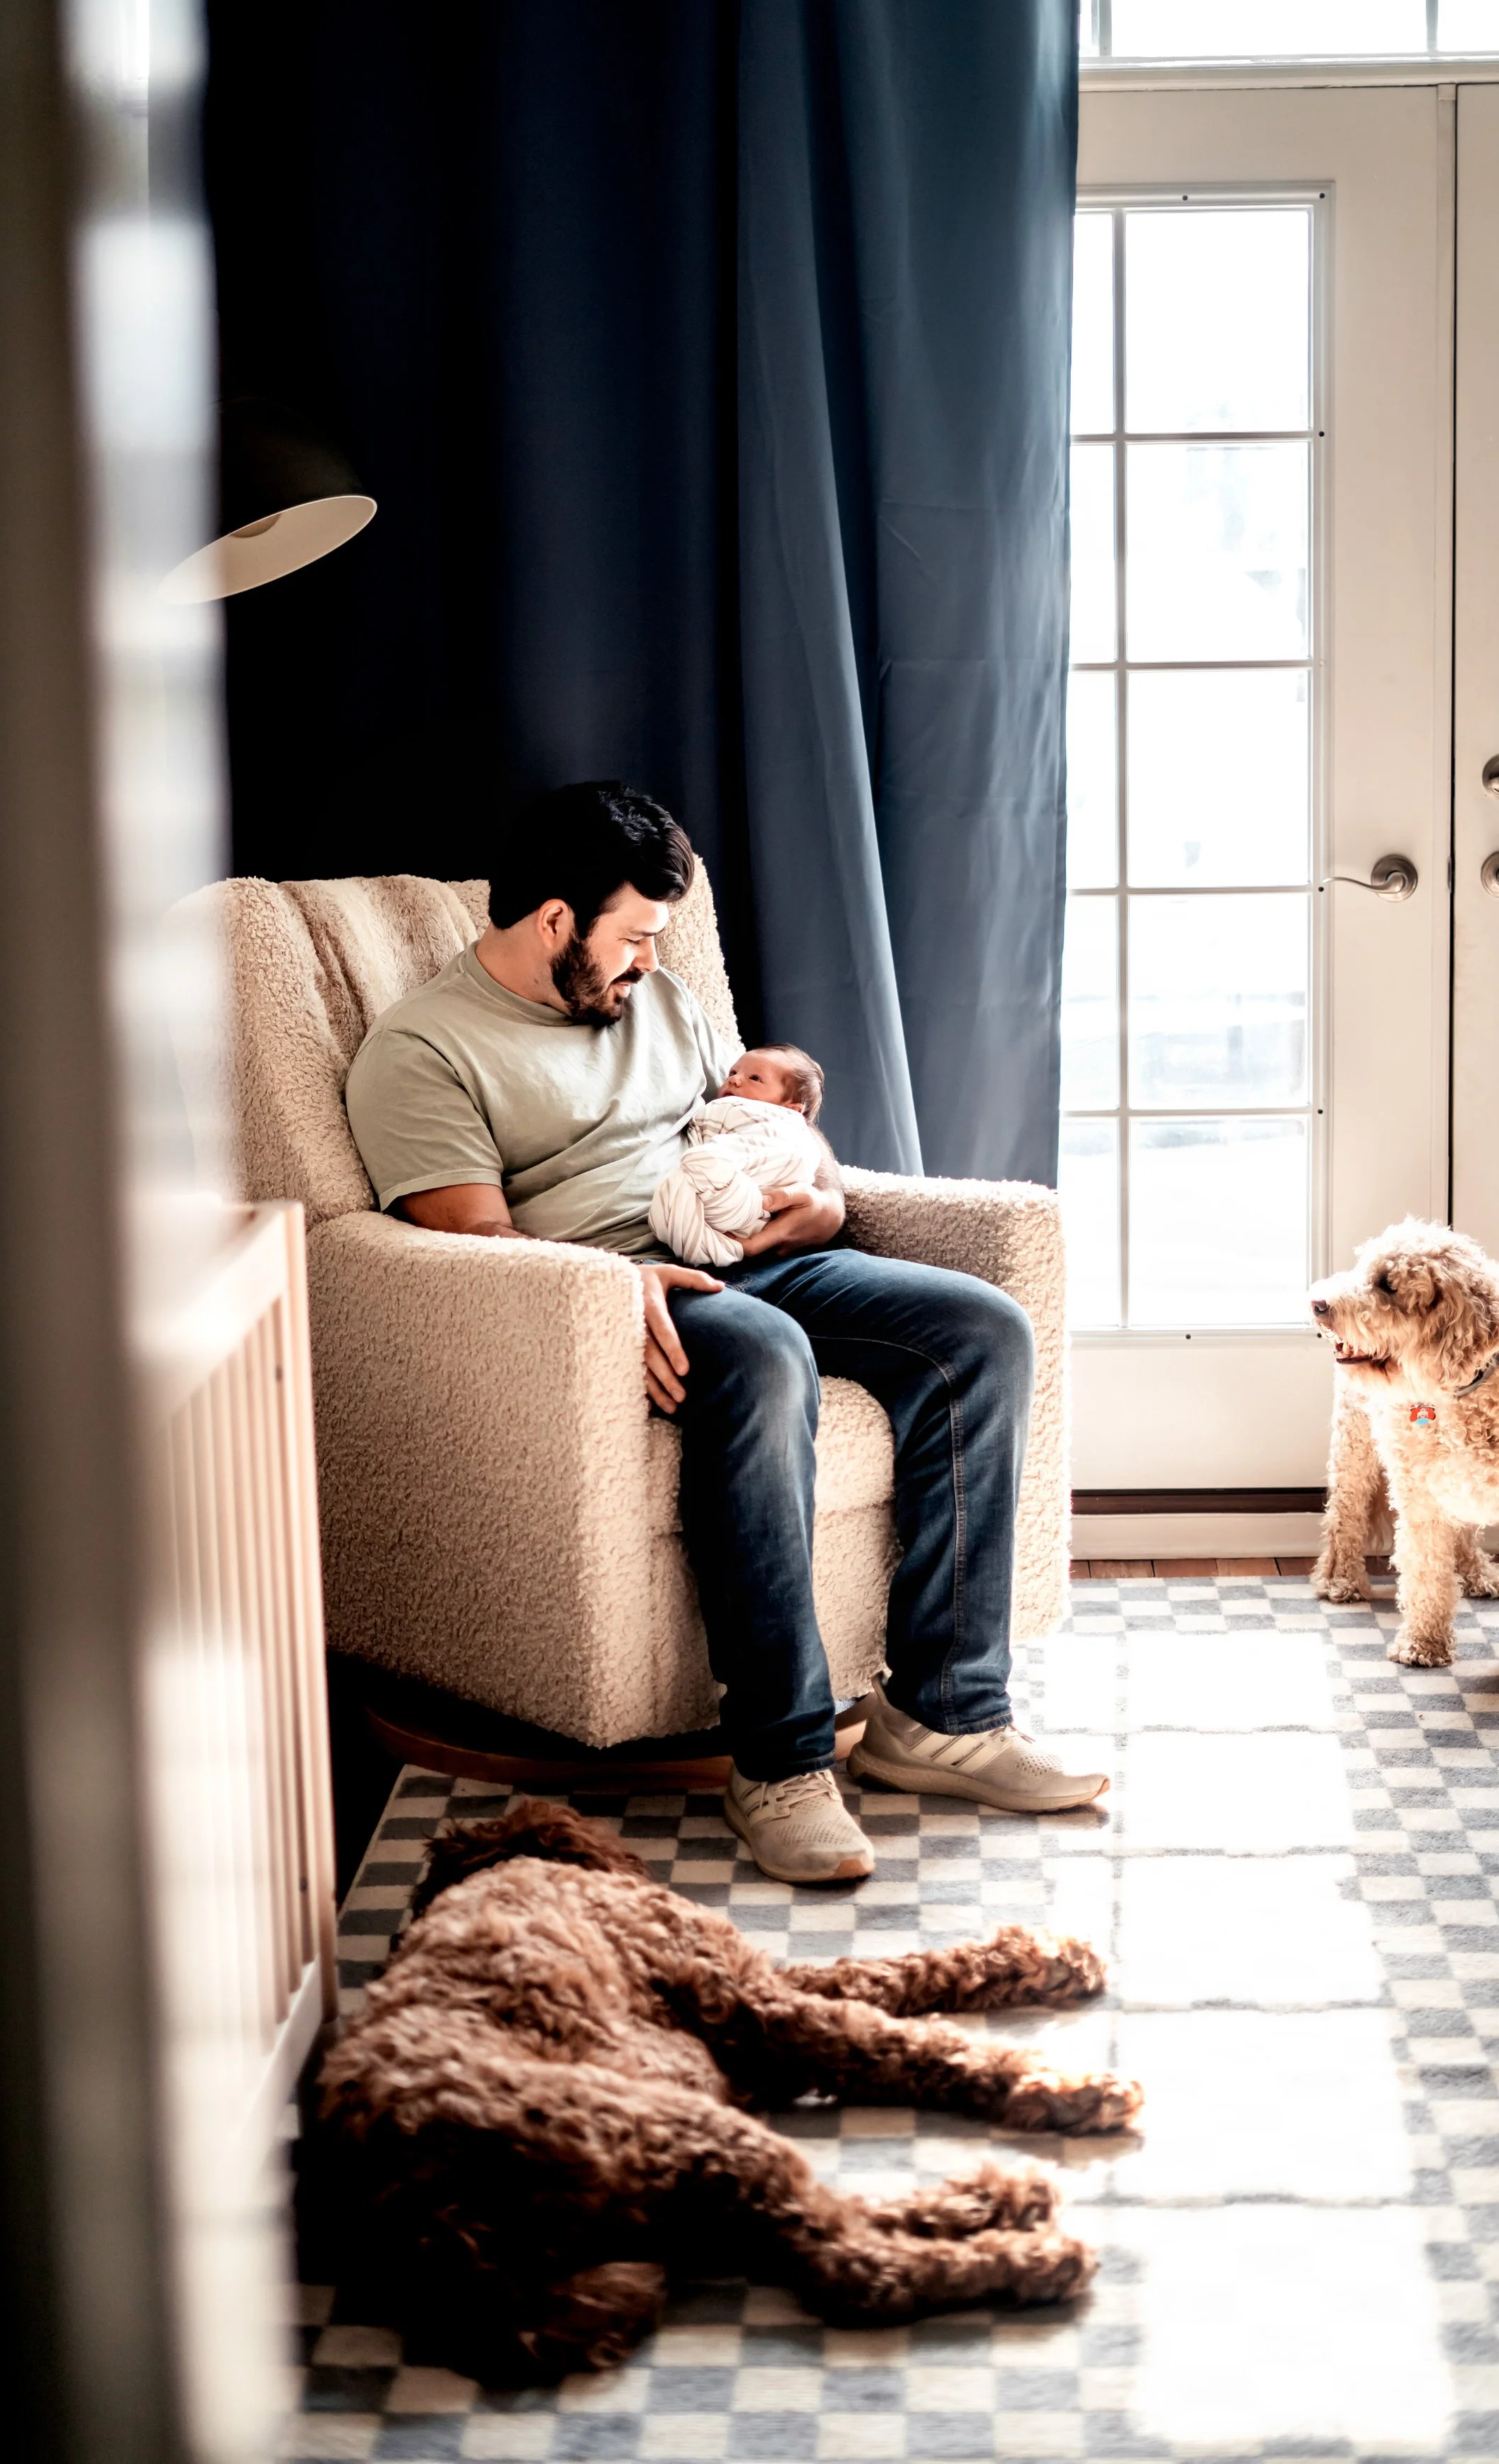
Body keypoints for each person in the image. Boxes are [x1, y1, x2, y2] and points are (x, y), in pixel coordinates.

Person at [344, 781, 1106, 1884]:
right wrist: (621, 1283)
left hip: (756, 1251)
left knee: (981, 1328)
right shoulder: (424, 1049)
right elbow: (474, 1247)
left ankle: (943, 1715)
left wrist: (825, 1199)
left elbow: (751, 1127)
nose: (653, 959)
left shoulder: (662, 1001)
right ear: (557, 920)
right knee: (762, 1351)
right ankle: (781, 1761)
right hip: (619, 1297)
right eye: (636, 936)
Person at [650, 1044, 829, 1267]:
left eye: (755, 1079)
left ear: (791, 1110)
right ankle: (713, 1245)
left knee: (699, 1175)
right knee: (683, 1194)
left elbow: (786, 1151)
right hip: (724, 1199)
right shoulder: (723, 1107)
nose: (734, 1080)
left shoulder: (783, 1124)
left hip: (753, 1193)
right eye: (733, 1073)